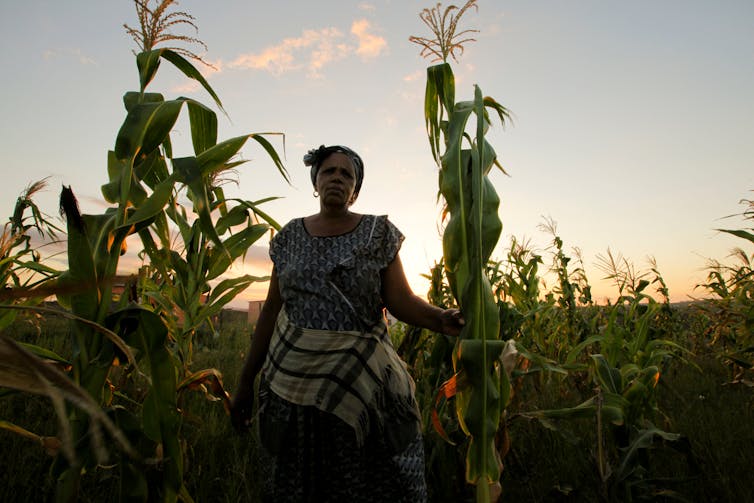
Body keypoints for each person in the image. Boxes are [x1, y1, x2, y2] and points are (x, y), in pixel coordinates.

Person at [230, 144, 464, 502]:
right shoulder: (289, 237)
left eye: (346, 174)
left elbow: (400, 301)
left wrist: (441, 318)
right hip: (293, 392)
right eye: (328, 171)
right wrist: (246, 381)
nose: (337, 178)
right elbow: (273, 311)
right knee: (300, 484)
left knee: (367, 484)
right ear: (315, 182)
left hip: (362, 389)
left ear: (355, 190)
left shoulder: (377, 233)